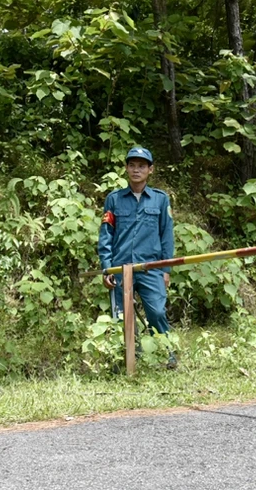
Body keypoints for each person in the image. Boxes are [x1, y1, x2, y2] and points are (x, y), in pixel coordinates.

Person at [98, 147, 177, 368]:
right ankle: (128, 358)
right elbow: (106, 236)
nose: (136, 170)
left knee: (157, 311)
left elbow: (166, 236)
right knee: (121, 316)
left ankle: (166, 353)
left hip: (151, 268)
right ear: (126, 168)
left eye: (141, 166)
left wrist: (166, 270)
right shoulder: (113, 200)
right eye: (132, 165)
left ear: (150, 170)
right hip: (120, 269)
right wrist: (106, 268)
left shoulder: (160, 200)